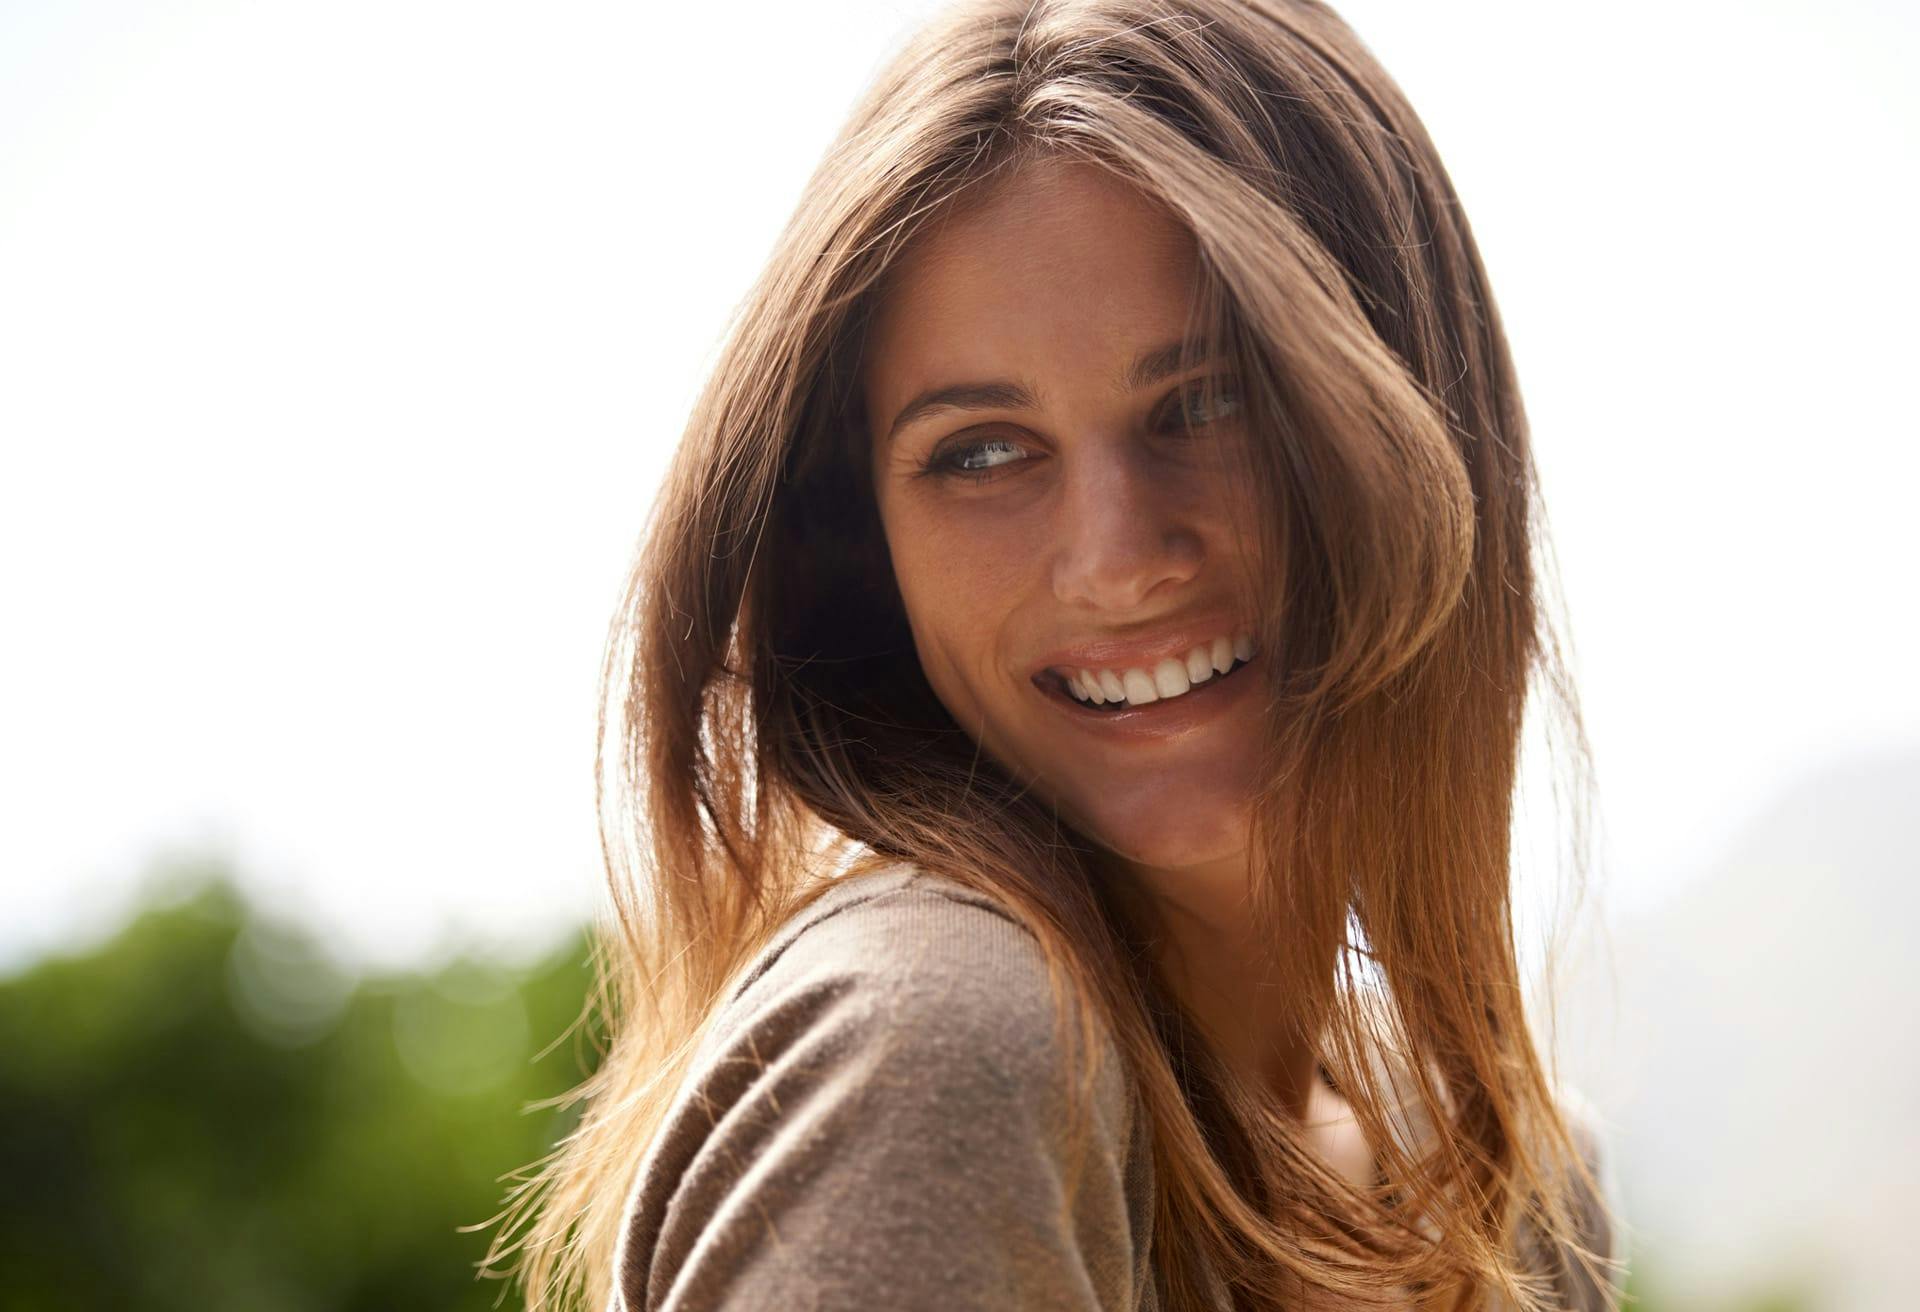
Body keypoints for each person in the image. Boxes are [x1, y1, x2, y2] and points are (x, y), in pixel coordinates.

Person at [487, 0, 1627, 1307]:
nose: (1119, 556)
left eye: (1209, 401)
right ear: (867, 547)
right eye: (981, 452)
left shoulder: (1506, 1185)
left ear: (1421, 406)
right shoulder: (934, 1053)